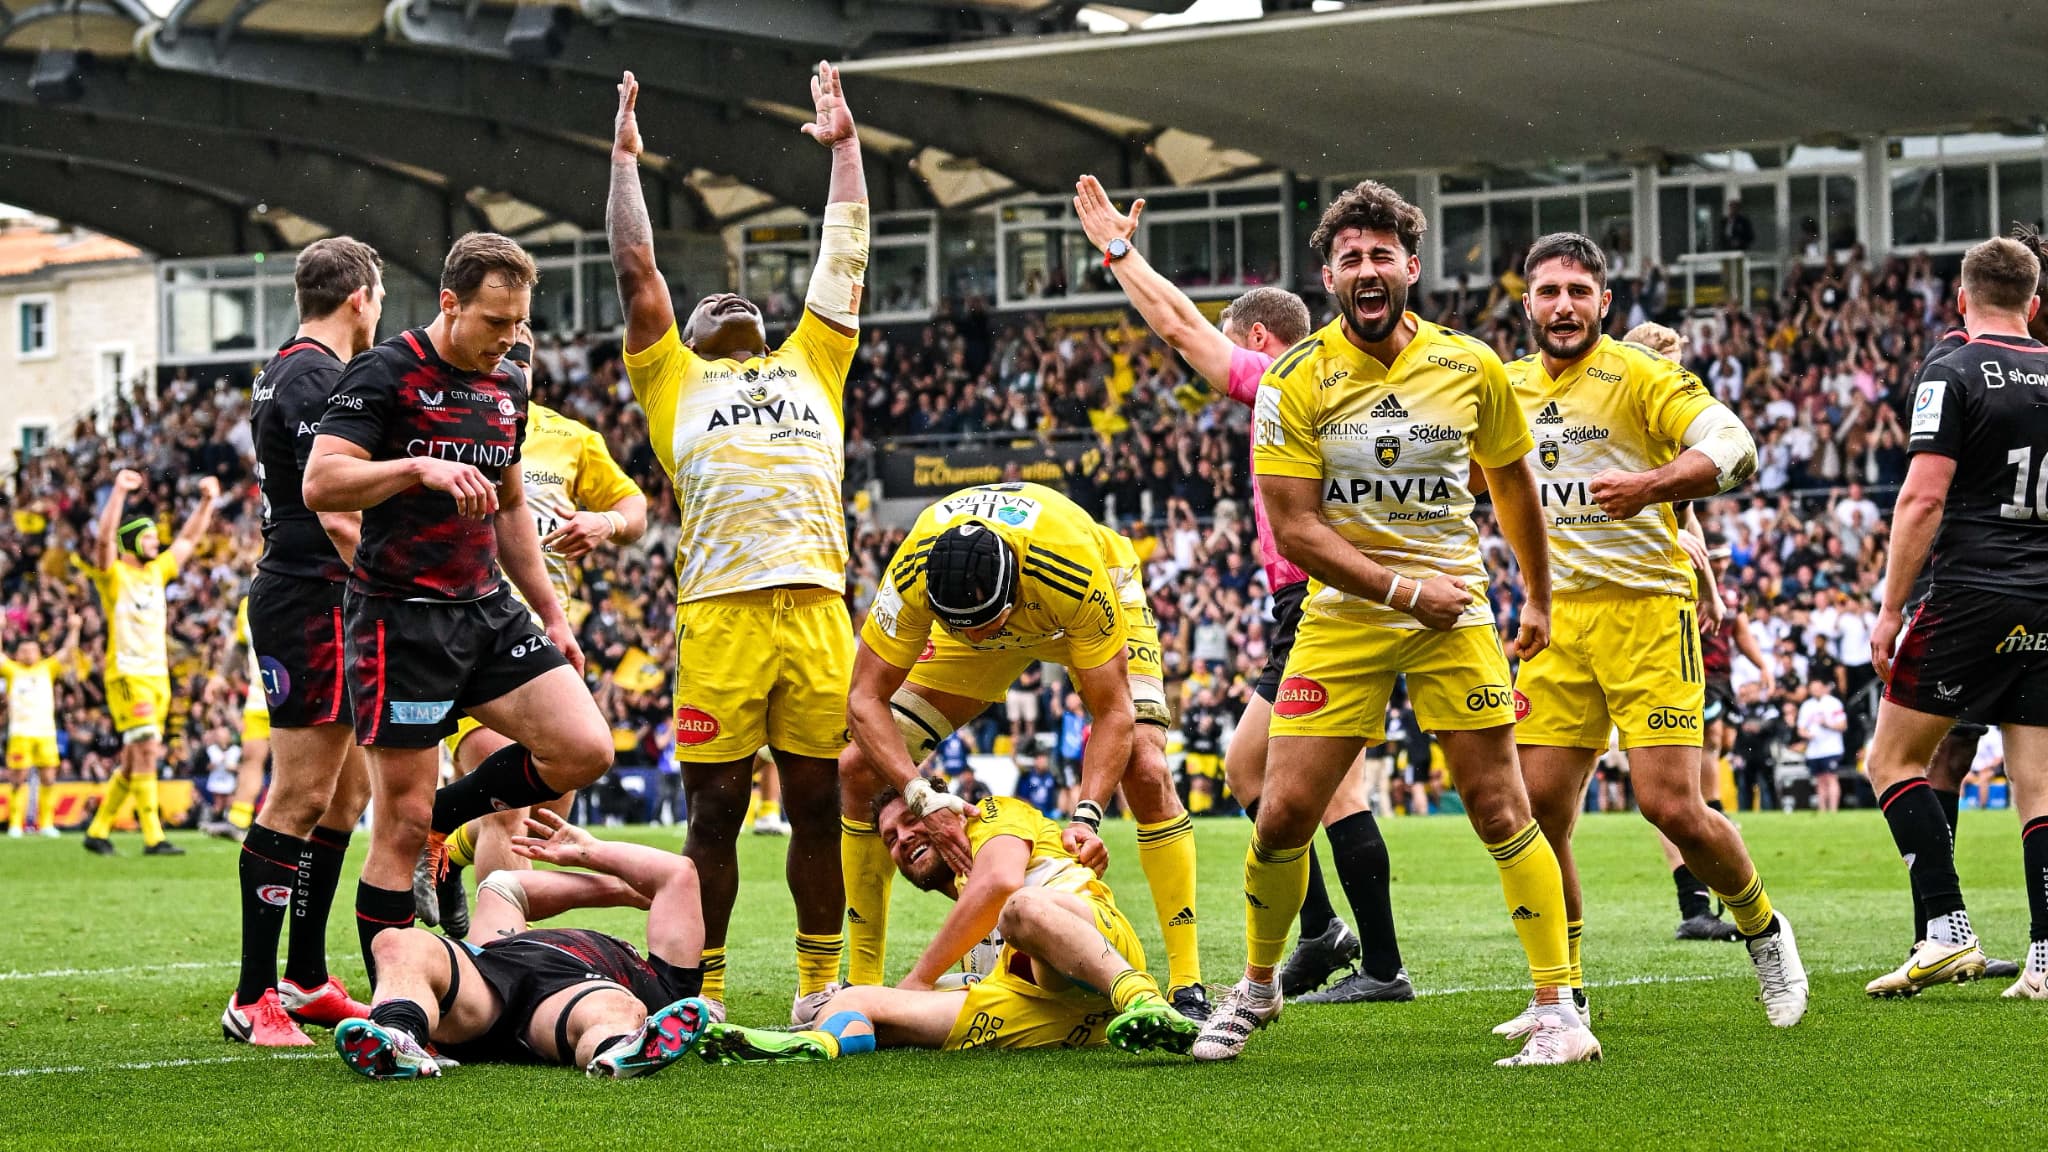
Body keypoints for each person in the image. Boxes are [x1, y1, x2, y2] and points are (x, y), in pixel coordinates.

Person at [1201, 181, 1591, 1066]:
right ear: (1329, 276)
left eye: (1383, 255)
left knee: (1500, 806)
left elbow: (1514, 485)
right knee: (1281, 813)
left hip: (1455, 609)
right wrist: (1404, 592)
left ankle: (1559, 1009)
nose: (1367, 270)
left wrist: (1537, 595)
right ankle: (1257, 989)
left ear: (1410, 267)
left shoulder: (1472, 365)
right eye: (1351, 258)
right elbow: (1296, 528)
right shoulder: (1293, 380)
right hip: (1348, 612)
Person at [1073, 174, 1401, 1004]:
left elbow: (1179, 326)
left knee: (1325, 784)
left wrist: (1119, 252)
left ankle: (1376, 962)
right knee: (1252, 766)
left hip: (1323, 600)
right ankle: (1330, 934)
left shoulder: (1290, 380)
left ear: (1260, 338)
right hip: (1321, 599)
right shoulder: (1356, 384)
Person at [609, 65, 866, 1023]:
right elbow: (639, 267)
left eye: (735, 295)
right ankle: (702, 991)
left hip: (815, 608)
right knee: (713, 815)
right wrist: (625, 162)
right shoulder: (668, 375)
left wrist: (843, 151)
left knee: (815, 808)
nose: (723, 299)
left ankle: (816, 987)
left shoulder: (813, 358)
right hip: (719, 617)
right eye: (705, 297)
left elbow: (846, 256)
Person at [1504, 233, 1804, 1034]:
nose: (1562, 305)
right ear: (1526, 304)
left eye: (1577, 290)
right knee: (1536, 815)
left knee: (1669, 806)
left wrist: (1651, 484)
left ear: (1604, 303)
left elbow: (1734, 445)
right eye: (1547, 291)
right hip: (1557, 622)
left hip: (1646, 615)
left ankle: (1765, 931)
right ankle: (1560, 997)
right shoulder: (1504, 389)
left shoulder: (1643, 376)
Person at [304, 231, 612, 982]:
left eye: (518, 325)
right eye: (495, 323)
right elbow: (322, 483)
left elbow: (510, 506)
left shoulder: (508, 384)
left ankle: (453, 815)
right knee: (399, 826)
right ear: (450, 303)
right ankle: (399, 1002)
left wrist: (553, 613)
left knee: (584, 748)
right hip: (399, 619)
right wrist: (417, 467)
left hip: (486, 609)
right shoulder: (383, 372)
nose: (509, 340)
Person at [842, 482, 1208, 1019]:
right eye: (955, 626)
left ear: (1009, 597)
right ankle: (863, 986)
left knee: (1147, 767)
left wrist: (1086, 817)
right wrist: (919, 795)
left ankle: (1187, 984)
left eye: (982, 626)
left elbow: (1113, 713)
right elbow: (863, 699)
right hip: (983, 608)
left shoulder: (1074, 570)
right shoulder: (915, 571)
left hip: (1077, 607)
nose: (973, 638)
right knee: (858, 769)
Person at [1865, 234, 2048, 1000]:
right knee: (2038, 789)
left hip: (1974, 589)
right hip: (2046, 594)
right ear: (2034, 304)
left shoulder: (1954, 367)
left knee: (1890, 761)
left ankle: (1945, 931)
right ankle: (2046, 955)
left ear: (1962, 298)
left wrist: (1889, 607)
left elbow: (1922, 498)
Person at [424, 324, 647, 937]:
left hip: (548, 647)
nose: (510, 360)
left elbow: (637, 510)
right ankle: (501, 956)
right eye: (503, 347)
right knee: (513, 815)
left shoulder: (571, 437)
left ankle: (451, 847)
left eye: (523, 352)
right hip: (468, 637)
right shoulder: (439, 415)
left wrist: (604, 522)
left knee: (549, 818)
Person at [692, 791, 1195, 1062]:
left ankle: (1146, 1000)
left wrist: (919, 980)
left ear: (945, 806)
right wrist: (906, 996)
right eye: (891, 838)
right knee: (858, 1000)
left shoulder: (992, 814)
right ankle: (814, 1046)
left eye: (912, 821)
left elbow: (1000, 884)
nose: (903, 840)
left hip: (1103, 956)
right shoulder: (963, 907)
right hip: (1052, 1016)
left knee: (1019, 910)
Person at [224, 237, 386, 1047]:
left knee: (346, 795)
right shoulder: (319, 376)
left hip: (327, 596)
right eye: (380, 295)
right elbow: (334, 510)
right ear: (360, 297)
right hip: (310, 596)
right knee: (298, 795)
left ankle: (308, 978)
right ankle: (254, 997)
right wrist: (399, 591)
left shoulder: (285, 368)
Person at [334, 810, 709, 1080]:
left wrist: (591, 853)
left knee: (612, 1006)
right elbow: (504, 887)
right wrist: (623, 890)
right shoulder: (519, 941)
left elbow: (678, 874)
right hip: (491, 976)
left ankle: (622, 1050)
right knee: (399, 944)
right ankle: (400, 1039)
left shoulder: (667, 986)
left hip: (566, 1002)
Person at [78, 468, 220, 857]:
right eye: (149, 536)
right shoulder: (114, 575)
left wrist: (208, 502)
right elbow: (104, 538)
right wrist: (120, 492)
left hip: (157, 675)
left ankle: (98, 828)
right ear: (132, 542)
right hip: (128, 674)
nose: (157, 542)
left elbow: (189, 538)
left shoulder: (157, 573)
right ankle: (153, 835)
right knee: (146, 749)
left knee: (133, 758)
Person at [4, 613, 79, 838]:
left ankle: (46, 823)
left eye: (32, 649)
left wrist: (74, 628)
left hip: (45, 733)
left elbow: (67, 653)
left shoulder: (47, 668)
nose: (28, 653)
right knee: (18, 779)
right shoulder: (12, 670)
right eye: (24, 650)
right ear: (17, 653)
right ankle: (15, 824)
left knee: (48, 778)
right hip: (20, 733)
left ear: (39, 652)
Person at [202, 596, 268, 841]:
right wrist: (221, 676)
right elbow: (240, 645)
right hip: (259, 696)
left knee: (297, 762)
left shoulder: (296, 590)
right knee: (251, 755)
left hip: (295, 694)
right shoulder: (246, 605)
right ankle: (239, 819)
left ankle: (310, 823)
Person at [1797, 678, 1847, 813]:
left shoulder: (1833, 703)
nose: (1815, 691)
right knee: (1819, 780)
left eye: (1817, 688)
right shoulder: (1807, 705)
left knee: (1831, 777)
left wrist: (1827, 724)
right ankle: (1822, 809)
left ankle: (1833, 809)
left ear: (1824, 688)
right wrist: (1807, 735)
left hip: (1831, 747)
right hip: (1814, 749)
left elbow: (1843, 725)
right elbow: (1800, 729)